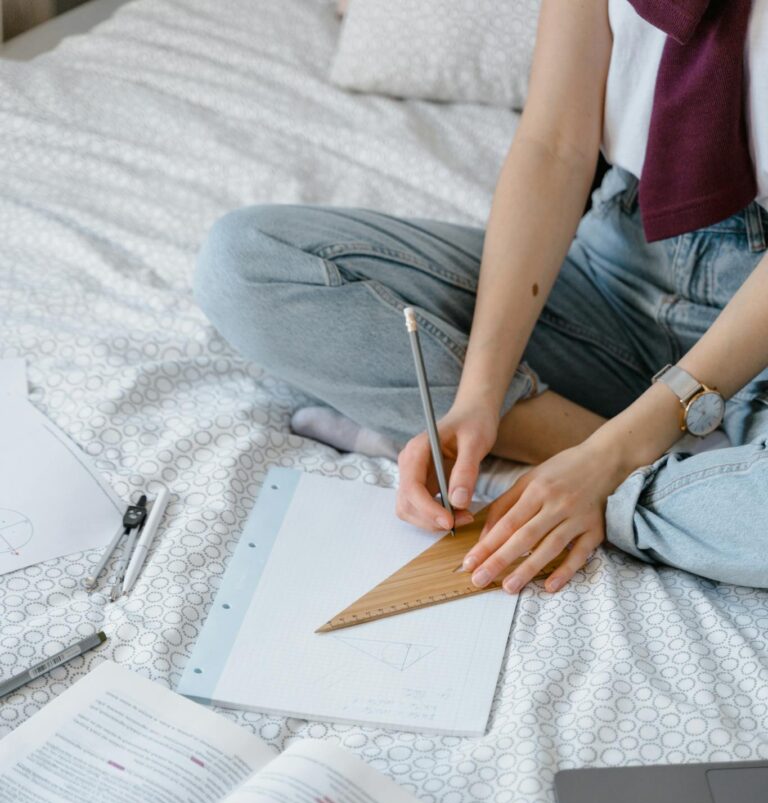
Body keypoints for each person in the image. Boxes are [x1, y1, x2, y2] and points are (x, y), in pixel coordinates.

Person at [194, 0, 768, 594]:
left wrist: (615, 458)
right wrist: (478, 396)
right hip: (615, 264)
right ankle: (682, 482)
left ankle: (618, 470)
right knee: (246, 264)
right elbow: (554, 145)